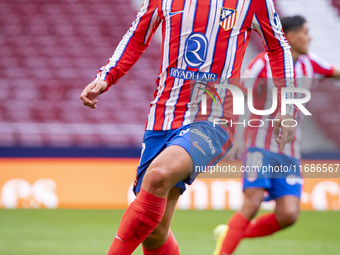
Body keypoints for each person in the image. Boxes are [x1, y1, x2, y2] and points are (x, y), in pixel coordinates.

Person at [80, 0, 297, 254]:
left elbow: (279, 47)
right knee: (155, 231)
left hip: (214, 118)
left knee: (158, 175)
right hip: (163, 117)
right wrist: (106, 77)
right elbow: (136, 36)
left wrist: (287, 104)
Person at [213, 15, 340, 255]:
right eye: (305, 32)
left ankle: (229, 232)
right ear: (291, 37)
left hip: (290, 150)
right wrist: (234, 136)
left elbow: (335, 71)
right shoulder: (262, 64)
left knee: (289, 214)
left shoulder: (310, 64)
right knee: (252, 202)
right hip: (259, 145)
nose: (309, 37)